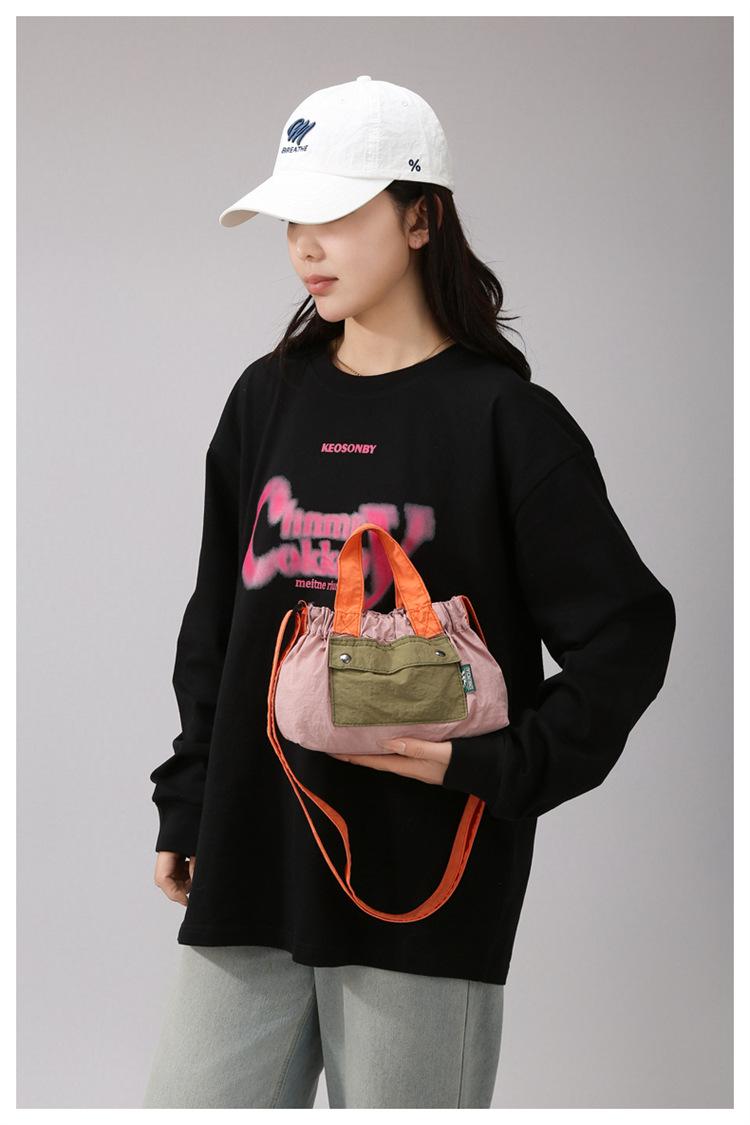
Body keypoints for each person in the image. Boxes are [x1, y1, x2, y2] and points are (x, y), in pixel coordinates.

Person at [142, 76, 676, 1109]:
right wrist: (189, 798)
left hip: (423, 884)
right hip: (252, 858)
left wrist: (504, 766)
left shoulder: (506, 422)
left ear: (422, 217)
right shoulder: (269, 397)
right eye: (293, 218)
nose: (307, 245)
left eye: (338, 213)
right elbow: (218, 618)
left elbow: (628, 631)